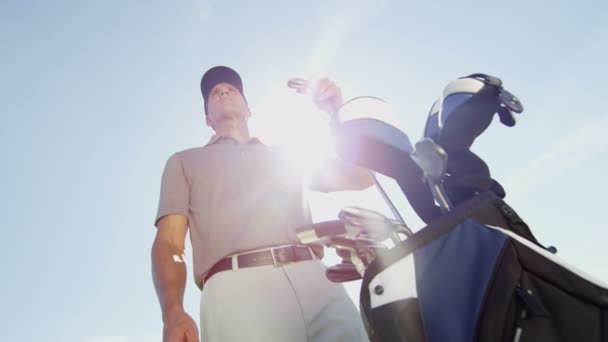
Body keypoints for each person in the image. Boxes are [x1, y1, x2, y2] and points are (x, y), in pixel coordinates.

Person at [152, 66, 374, 342]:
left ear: (249, 108)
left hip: (318, 280)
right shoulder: (183, 162)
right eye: (214, 93)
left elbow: (361, 176)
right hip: (235, 286)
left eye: (231, 89)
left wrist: (337, 112)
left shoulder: (290, 156)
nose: (222, 91)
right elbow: (170, 244)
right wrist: (173, 312)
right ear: (207, 118)